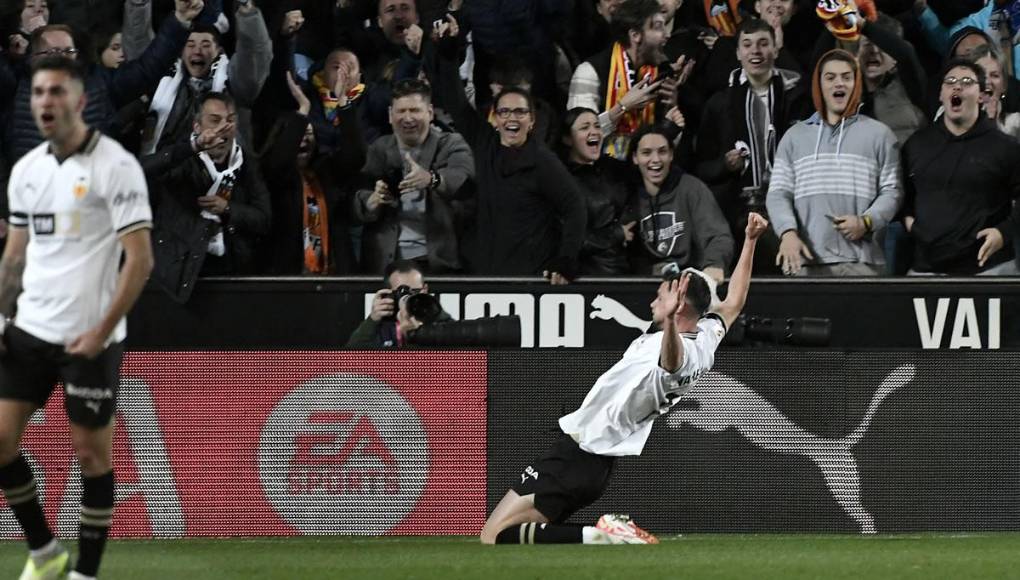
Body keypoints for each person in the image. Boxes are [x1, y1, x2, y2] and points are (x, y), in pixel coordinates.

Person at [480, 212, 769, 545]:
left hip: (580, 455)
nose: (653, 301)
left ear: (680, 309)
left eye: (661, 297)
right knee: (515, 536)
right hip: (591, 462)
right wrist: (750, 240)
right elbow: (734, 301)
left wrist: (671, 321)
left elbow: (671, 363)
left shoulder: (683, 352)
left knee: (494, 536)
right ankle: (604, 535)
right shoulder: (706, 335)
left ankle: (607, 533)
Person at [0, 56, 154, 580]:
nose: (46, 102)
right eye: (39, 93)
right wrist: (2, 318)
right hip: (29, 328)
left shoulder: (117, 166)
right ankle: (45, 553)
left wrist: (103, 328)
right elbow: (15, 256)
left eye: (56, 92)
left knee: (91, 454)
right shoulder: (27, 171)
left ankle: (85, 574)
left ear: (80, 100)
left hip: (92, 333)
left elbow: (141, 259)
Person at [432, 17, 586, 282]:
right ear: (496, 117)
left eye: (519, 112)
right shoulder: (485, 142)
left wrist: (566, 260)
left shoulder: (542, 160)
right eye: (504, 111)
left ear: (532, 119)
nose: (511, 118)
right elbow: (454, 101)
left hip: (530, 278)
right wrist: (448, 51)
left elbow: (575, 206)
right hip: (486, 275)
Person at [766, 49, 901, 276]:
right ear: (819, 85)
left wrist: (866, 222)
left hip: (863, 263)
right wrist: (787, 233)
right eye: (830, 78)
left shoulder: (880, 135)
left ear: (856, 83)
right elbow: (778, 193)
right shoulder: (794, 137)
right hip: (804, 262)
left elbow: (893, 192)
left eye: (846, 77)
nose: (839, 83)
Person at [696, 17, 808, 275]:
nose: (755, 51)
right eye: (747, 44)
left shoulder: (797, 97)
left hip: (788, 207)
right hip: (736, 211)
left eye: (763, 44)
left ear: (776, 49)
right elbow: (701, 167)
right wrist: (724, 164)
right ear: (737, 53)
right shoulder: (718, 103)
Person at [143, 92, 271, 302]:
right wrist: (194, 147)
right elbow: (141, 171)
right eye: (214, 120)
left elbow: (264, 218)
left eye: (230, 120)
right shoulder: (181, 159)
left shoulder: (247, 165)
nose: (223, 127)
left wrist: (228, 209)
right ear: (197, 126)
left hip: (230, 271)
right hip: (179, 274)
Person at [901, 58, 1020, 275]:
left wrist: (1004, 232)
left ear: (982, 95)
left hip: (988, 270)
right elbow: (899, 194)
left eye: (967, 81)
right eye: (950, 81)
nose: (957, 85)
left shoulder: (1006, 147)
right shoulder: (916, 144)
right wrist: (909, 222)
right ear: (940, 95)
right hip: (926, 270)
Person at [354, 78, 475, 275]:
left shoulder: (452, 144)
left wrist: (431, 179)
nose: (408, 118)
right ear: (390, 115)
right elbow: (358, 196)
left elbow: (462, 178)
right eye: (401, 111)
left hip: (438, 264)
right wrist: (372, 201)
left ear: (429, 113)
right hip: (387, 265)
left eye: (415, 110)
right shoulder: (379, 148)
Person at [626, 124, 734, 282]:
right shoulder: (627, 194)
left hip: (689, 283)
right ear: (635, 157)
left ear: (671, 154)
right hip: (644, 285)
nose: (655, 159)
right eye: (646, 153)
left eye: (662, 151)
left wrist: (714, 264)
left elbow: (719, 236)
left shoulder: (692, 188)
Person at [345, 260, 449, 348]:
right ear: (388, 292)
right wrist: (372, 320)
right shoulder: (383, 321)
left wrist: (433, 311)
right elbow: (352, 356)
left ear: (425, 290)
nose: (409, 297)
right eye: (402, 292)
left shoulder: (435, 317)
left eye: (415, 291)